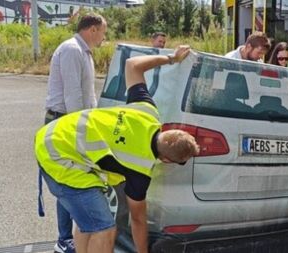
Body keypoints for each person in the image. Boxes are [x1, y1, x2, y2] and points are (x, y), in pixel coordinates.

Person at [35, 45, 200, 253]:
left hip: (54, 132)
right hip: (58, 158)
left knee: (89, 222)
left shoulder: (146, 111)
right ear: (166, 160)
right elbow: (138, 219)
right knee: (104, 229)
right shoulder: (140, 170)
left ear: (168, 129)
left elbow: (132, 65)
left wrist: (171, 58)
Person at [41, 13, 107, 253]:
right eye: (103, 31)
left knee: (72, 179)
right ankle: (64, 238)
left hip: (73, 122)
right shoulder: (72, 50)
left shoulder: (84, 52)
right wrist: (78, 134)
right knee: (66, 180)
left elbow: (88, 93)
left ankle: (70, 235)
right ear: (92, 29)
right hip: (64, 122)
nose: (104, 37)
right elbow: (72, 97)